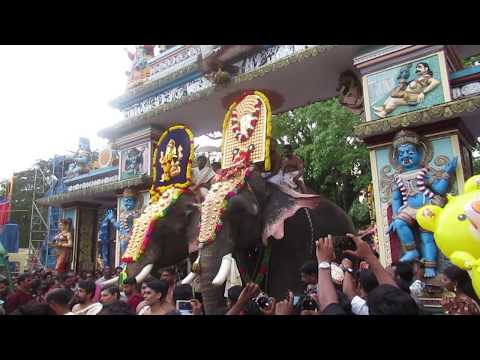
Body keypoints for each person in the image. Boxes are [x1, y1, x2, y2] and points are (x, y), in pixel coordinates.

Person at [343, 233, 419, 315]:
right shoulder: (406, 301)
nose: (385, 270)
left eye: (389, 272)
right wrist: (369, 256)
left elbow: (349, 293)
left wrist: (348, 267)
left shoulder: (378, 307)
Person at [373, 62, 440, 118]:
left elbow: (436, 82)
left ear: (426, 69)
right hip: (408, 95)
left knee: (394, 100)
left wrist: (423, 92)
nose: (417, 69)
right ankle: (382, 108)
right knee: (391, 97)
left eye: (419, 67)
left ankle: (383, 113)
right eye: (417, 67)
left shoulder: (427, 77)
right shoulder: (419, 77)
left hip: (413, 97)